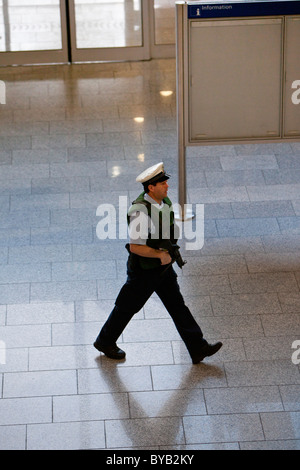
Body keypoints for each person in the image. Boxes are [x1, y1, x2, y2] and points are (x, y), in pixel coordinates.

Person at [94, 162, 222, 364]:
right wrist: (159, 255)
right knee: (127, 306)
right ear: (151, 188)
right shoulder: (139, 211)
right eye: (162, 183)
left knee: (178, 306)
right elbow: (135, 247)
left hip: (163, 268)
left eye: (165, 182)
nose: (167, 186)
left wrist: (170, 250)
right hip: (144, 270)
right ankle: (105, 340)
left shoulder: (165, 203)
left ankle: (198, 347)